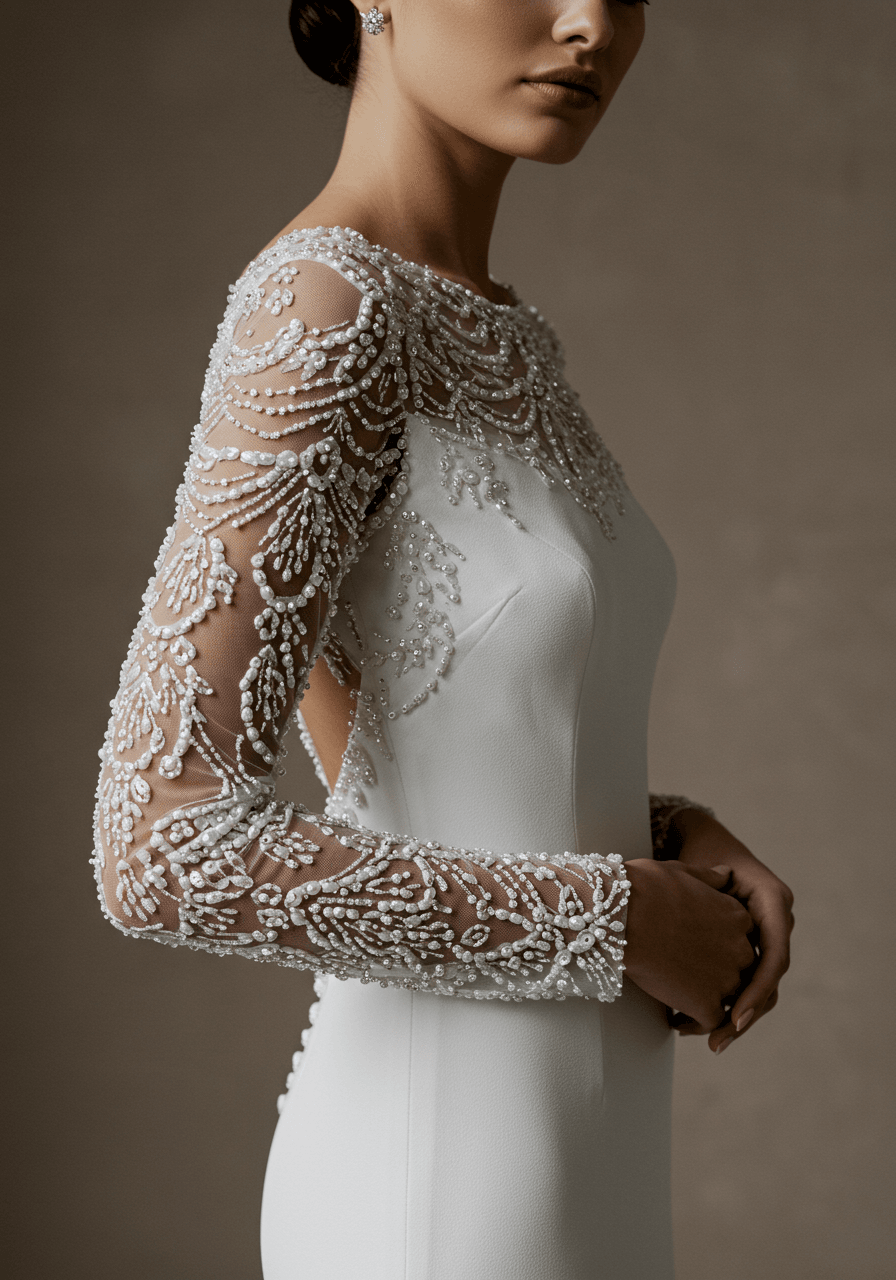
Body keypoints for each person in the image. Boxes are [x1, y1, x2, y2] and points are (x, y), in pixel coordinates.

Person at [92, 2, 795, 1276]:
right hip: (436, 1178)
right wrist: (613, 918)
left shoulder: (491, 326)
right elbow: (160, 842)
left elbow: (402, 750)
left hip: (587, 1160)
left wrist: (665, 831)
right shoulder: (323, 305)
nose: (591, 24)